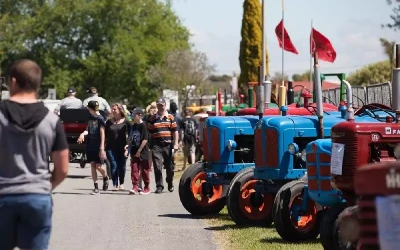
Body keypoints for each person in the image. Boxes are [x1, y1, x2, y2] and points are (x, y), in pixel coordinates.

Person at [0, 59, 69, 250]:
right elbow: (62, 168)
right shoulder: (52, 120)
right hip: (37, 198)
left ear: (13, 82)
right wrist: (45, 187)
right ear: (37, 84)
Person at [147, 97, 179, 194]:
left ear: (165, 106)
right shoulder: (152, 119)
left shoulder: (170, 117)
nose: (160, 107)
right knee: (157, 166)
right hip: (156, 145)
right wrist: (149, 145)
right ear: (156, 106)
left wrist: (176, 143)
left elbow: (175, 132)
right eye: (159, 105)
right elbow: (149, 132)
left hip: (168, 145)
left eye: (162, 105)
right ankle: (159, 186)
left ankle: (169, 182)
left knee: (170, 167)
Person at [77, 100, 110, 195]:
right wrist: (83, 134)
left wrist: (102, 148)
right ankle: (96, 188)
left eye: (88, 108)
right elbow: (88, 129)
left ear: (91, 108)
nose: (88, 110)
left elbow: (102, 134)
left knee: (99, 166)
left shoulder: (100, 119)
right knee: (92, 165)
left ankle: (105, 177)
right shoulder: (90, 118)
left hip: (98, 146)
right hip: (90, 145)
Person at [105, 103, 130, 191]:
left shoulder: (126, 122)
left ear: (120, 110)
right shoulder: (108, 122)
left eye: (115, 109)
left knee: (122, 166)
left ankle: (122, 183)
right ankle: (115, 184)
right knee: (113, 164)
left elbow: (130, 134)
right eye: (112, 109)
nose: (113, 111)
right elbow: (104, 135)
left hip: (123, 147)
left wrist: (128, 145)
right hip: (110, 147)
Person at [125, 107, 151, 195]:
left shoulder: (144, 125)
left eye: (134, 114)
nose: (132, 116)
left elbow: (145, 140)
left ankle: (147, 187)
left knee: (144, 170)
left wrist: (139, 151)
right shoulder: (133, 126)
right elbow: (130, 138)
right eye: (132, 114)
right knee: (134, 169)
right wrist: (127, 145)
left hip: (143, 151)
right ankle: (135, 187)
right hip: (134, 150)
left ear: (140, 115)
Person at [169, 102, 182, 171]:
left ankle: (169, 162)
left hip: (169, 135)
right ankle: (174, 163)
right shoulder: (179, 117)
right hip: (177, 135)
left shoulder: (169, 116)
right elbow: (182, 126)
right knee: (175, 151)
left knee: (169, 149)